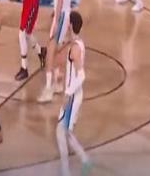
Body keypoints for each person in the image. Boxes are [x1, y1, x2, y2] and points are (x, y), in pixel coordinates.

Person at [56, 11, 92, 176]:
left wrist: (68, 92)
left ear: (70, 25)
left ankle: (66, 171)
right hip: (74, 95)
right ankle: (85, 160)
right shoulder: (78, 43)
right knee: (66, 132)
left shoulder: (75, 48)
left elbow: (81, 75)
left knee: (61, 132)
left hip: (72, 97)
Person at [38, 0, 73, 103]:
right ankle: (59, 82)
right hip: (65, 14)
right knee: (58, 50)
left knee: (50, 51)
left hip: (61, 15)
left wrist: (57, 18)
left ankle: (48, 89)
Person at [9, 0, 46, 81]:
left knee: (22, 34)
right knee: (28, 34)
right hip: (26, 7)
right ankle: (41, 51)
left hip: (32, 7)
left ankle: (24, 68)